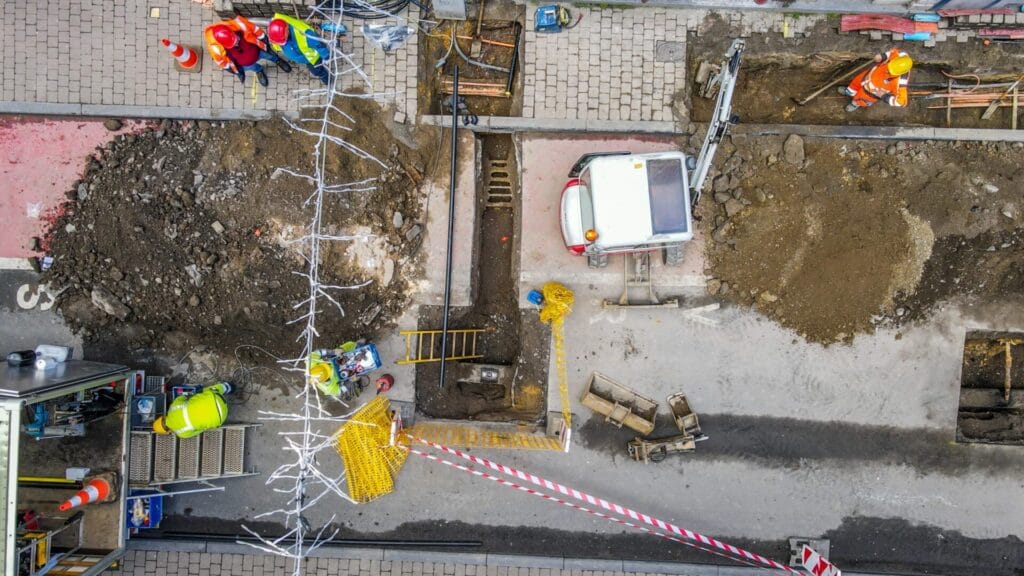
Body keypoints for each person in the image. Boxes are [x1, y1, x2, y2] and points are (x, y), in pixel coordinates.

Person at [204, 16, 291, 88]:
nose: (237, 42)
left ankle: (277, 60)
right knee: (254, 67)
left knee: (270, 56)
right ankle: (259, 71)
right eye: (233, 43)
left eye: (236, 39)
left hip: (258, 50)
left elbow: (256, 30)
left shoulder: (239, 24)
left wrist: (265, 41)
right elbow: (223, 64)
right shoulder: (215, 49)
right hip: (245, 64)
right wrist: (236, 71)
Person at [266, 13, 332, 86]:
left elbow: (319, 45)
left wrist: (326, 56)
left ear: (287, 30)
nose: (282, 45)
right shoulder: (276, 28)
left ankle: (327, 80)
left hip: (313, 59)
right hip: (302, 56)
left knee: (317, 71)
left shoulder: (306, 34)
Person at [840, 49, 912, 112]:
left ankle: (855, 104)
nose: (887, 71)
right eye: (888, 68)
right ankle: (849, 92)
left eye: (890, 72)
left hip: (872, 92)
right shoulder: (899, 57)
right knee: (855, 83)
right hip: (867, 76)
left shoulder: (900, 83)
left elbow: (901, 102)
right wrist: (882, 56)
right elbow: (892, 52)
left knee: (862, 98)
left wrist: (884, 96)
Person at [153, 382, 232, 438]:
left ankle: (225, 407)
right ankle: (226, 387)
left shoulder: (182, 433)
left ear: (168, 431)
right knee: (201, 392)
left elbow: (201, 430)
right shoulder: (173, 407)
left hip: (221, 417)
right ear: (162, 417)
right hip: (215, 398)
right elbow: (184, 397)